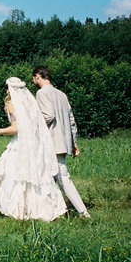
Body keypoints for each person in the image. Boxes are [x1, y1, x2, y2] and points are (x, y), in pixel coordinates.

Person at [0, 77, 67, 221]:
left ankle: (13, 209)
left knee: (12, 175)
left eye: (7, 88)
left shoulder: (12, 104)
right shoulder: (30, 103)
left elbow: (16, 128)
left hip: (21, 145)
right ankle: (30, 209)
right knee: (32, 176)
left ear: (10, 89)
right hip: (34, 145)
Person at [32, 65, 91, 218]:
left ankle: (83, 212)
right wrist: (73, 143)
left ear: (38, 76)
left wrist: (33, 126)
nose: (34, 82)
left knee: (62, 178)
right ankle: (47, 211)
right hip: (63, 142)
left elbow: (48, 115)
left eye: (34, 78)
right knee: (46, 177)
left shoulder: (41, 93)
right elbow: (71, 121)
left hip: (51, 142)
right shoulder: (62, 94)